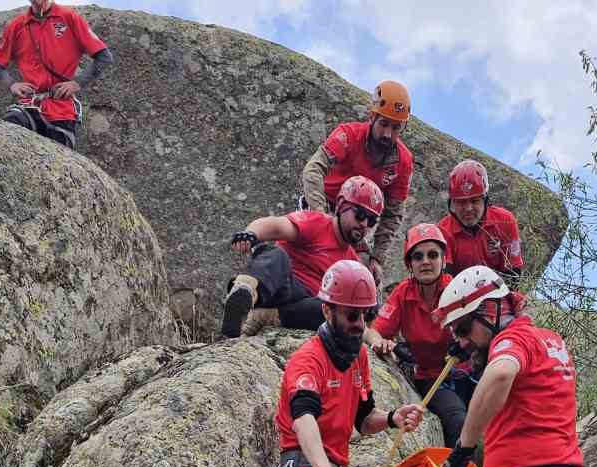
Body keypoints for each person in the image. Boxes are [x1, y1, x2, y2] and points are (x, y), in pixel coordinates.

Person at [274, 259, 423, 467]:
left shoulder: (358, 358)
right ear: (327, 311)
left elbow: (363, 419)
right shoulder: (308, 360)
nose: (360, 325)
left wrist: (393, 418)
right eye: (351, 316)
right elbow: (304, 418)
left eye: (366, 316)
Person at [437, 266, 585, 467]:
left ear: (492, 310)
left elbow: (501, 372)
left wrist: (464, 447)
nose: (462, 343)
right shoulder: (547, 340)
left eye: (463, 329)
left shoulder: (513, 339)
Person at [222, 175, 384, 337]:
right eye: (360, 215)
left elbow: (356, 318)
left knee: (334, 308)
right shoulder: (317, 223)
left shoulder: (352, 263)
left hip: (304, 308)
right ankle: (245, 292)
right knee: (276, 255)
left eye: (371, 221)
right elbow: (275, 225)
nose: (363, 224)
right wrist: (250, 234)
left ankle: (264, 317)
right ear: (341, 206)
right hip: (279, 286)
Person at [367, 224, 472, 447]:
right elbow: (373, 331)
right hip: (433, 379)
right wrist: (381, 343)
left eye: (433, 255)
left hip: (469, 375)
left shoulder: (457, 290)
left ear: (444, 260)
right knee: (457, 420)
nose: (425, 261)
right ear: (409, 264)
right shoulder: (403, 294)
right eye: (418, 256)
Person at [301, 80, 414, 284]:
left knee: (366, 279)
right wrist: (320, 215)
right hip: (324, 206)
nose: (388, 134)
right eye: (384, 124)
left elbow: (393, 213)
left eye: (396, 127)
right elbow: (314, 169)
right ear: (372, 117)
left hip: (360, 220)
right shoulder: (348, 134)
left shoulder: (403, 161)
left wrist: (378, 258)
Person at [0, 0, 112, 152]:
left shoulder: (68, 17)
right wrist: (12, 85)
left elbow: (104, 57)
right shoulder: (16, 26)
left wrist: (76, 84)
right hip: (30, 106)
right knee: (8, 132)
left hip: (62, 110)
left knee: (57, 163)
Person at [438, 160, 524, 285]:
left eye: (474, 200)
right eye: (461, 202)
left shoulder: (505, 221)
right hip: (458, 296)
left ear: (485, 199)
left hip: (497, 291)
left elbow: (513, 274)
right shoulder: (442, 231)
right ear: (453, 203)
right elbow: (445, 281)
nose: (468, 208)